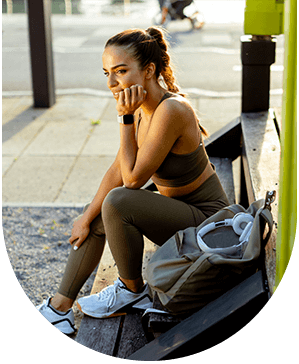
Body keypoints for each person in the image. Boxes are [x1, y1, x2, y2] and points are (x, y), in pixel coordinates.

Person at [36, 26, 229, 334]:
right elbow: (116, 170)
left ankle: (131, 289)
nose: (112, 83)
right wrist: (86, 217)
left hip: (206, 224)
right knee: (99, 211)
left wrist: (124, 119)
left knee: (117, 202)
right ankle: (59, 307)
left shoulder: (171, 110)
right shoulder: (143, 110)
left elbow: (133, 181)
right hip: (179, 217)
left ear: (149, 70)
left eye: (121, 71)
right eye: (107, 73)